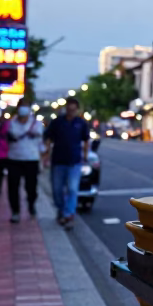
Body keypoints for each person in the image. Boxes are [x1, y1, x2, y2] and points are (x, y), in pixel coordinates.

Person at [44, 97, 91, 228]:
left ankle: (68, 214)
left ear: (77, 110)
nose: (71, 112)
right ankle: (62, 210)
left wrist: (85, 156)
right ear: (66, 108)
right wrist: (46, 154)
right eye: (69, 109)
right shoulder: (57, 122)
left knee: (72, 189)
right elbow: (48, 138)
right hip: (58, 161)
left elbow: (86, 140)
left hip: (74, 162)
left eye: (73, 110)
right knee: (57, 190)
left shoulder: (81, 123)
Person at [3, 102, 43, 223]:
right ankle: (15, 211)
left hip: (31, 159)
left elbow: (41, 139)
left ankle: (31, 205)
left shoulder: (36, 124)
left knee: (31, 187)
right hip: (14, 158)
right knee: (13, 187)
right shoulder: (11, 124)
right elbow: (7, 137)